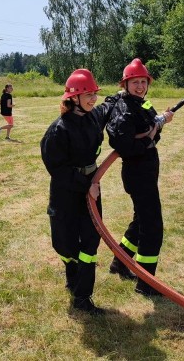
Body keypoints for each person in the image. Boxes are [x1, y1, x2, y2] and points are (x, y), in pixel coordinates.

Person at [40, 69, 116, 315]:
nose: (93, 99)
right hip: (67, 193)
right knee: (66, 243)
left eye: (94, 94)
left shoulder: (93, 117)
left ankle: (83, 297)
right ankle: (72, 278)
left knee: (90, 242)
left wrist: (126, 92)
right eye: (88, 94)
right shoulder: (58, 131)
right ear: (73, 98)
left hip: (91, 189)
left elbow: (107, 107)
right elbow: (58, 170)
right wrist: (87, 185)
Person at [105, 58, 174, 297]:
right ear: (125, 84)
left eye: (143, 81)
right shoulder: (124, 109)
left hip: (147, 170)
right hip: (138, 173)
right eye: (135, 82)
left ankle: (120, 263)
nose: (140, 86)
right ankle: (146, 282)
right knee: (152, 225)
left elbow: (150, 129)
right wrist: (150, 137)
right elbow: (124, 144)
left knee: (140, 219)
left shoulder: (141, 104)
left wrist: (161, 122)